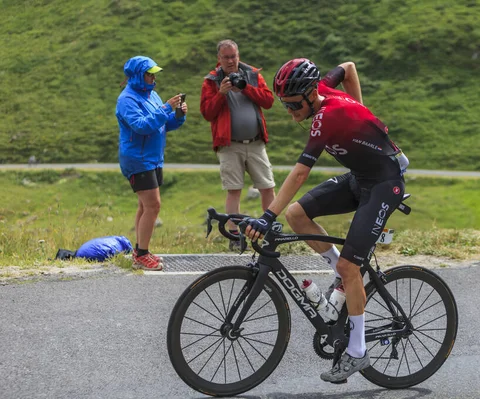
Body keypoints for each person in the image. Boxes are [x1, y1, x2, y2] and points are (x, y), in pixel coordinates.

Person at [244, 59, 409, 383]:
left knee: (350, 268)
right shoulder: (320, 89)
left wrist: (266, 216)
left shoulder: (327, 118)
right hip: (361, 176)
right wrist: (362, 116)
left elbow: (300, 172)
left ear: (308, 96)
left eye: (293, 105)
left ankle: (358, 351)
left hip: (384, 184)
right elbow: (347, 67)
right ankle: (341, 273)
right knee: (296, 214)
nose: (290, 112)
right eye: (285, 105)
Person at [200, 39, 276, 251]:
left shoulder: (252, 74)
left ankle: (271, 230)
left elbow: (268, 101)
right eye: (226, 57)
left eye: (234, 56)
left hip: (255, 143)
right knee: (234, 190)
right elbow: (207, 113)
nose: (231, 61)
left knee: (267, 186)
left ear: (238, 55)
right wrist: (221, 93)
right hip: (229, 145)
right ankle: (234, 236)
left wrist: (247, 88)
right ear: (219, 59)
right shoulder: (211, 81)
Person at [116, 55, 187, 271]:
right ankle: (142, 255)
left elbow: (161, 125)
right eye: (150, 74)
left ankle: (140, 251)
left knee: (144, 206)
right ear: (139, 75)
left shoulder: (152, 95)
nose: (153, 78)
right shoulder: (127, 99)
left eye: (154, 74)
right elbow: (141, 126)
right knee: (153, 205)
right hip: (138, 159)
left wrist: (178, 116)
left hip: (153, 158)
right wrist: (166, 108)